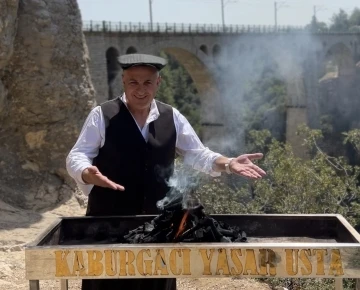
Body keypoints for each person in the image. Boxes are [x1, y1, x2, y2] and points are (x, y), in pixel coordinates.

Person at [66, 53, 266, 290]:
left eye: (147, 83)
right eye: (133, 82)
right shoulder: (102, 115)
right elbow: (77, 155)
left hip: (158, 226)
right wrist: (87, 172)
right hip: (109, 224)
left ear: (158, 83)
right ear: (123, 81)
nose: (140, 90)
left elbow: (197, 153)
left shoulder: (172, 116)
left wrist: (229, 163)